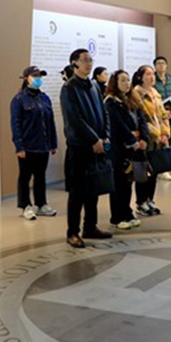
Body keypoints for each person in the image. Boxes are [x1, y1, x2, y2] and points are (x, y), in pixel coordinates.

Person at [59, 48, 113, 249]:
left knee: (93, 189)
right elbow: (74, 119)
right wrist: (93, 139)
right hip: (80, 146)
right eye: (85, 60)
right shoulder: (69, 88)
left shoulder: (94, 86)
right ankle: (72, 232)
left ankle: (90, 226)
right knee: (78, 191)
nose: (89, 63)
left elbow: (104, 112)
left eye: (91, 60)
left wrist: (105, 135)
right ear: (74, 63)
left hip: (97, 145)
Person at [10, 66, 58, 220]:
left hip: (43, 145)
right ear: (26, 78)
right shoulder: (19, 99)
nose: (38, 78)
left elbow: (50, 122)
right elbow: (16, 124)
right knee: (25, 176)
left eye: (40, 76)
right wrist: (19, 146)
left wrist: (53, 143)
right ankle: (25, 205)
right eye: (35, 75)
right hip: (27, 146)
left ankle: (41, 204)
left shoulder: (45, 98)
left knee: (40, 176)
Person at [104, 70, 146, 230]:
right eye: (122, 80)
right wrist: (132, 141)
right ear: (115, 83)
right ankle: (117, 216)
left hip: (133, 148)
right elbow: (118, 126)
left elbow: (142, 120)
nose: (127, 83)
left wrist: (144, 138)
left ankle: (127, 212)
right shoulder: (111, 102)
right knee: (118, 184)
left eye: (128, 80)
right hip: (119, 149)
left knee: (128, 183)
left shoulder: (132, 99)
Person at [131, 64, 170, 217]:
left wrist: (165, 132)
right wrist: (155, 133)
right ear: (140, 77)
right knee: (143, 172)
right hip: (145, 139)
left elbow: (163, 115)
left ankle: (150, 199)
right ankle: (141, 202)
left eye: (153, 74)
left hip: (158, 140)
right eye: (148, 74)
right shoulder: (136, 94)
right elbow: (141, 119)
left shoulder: (155, 93)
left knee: (154, 171)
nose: (152, 77)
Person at [153, 55, 171, 179]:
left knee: (168, 138)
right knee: (158, 140)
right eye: (158, 63)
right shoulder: (153, 80)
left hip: (169, 115)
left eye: (163, 63)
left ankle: (165, 167)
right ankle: (158, 167)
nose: (161, 65)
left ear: (166, 65)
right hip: (157, 115)